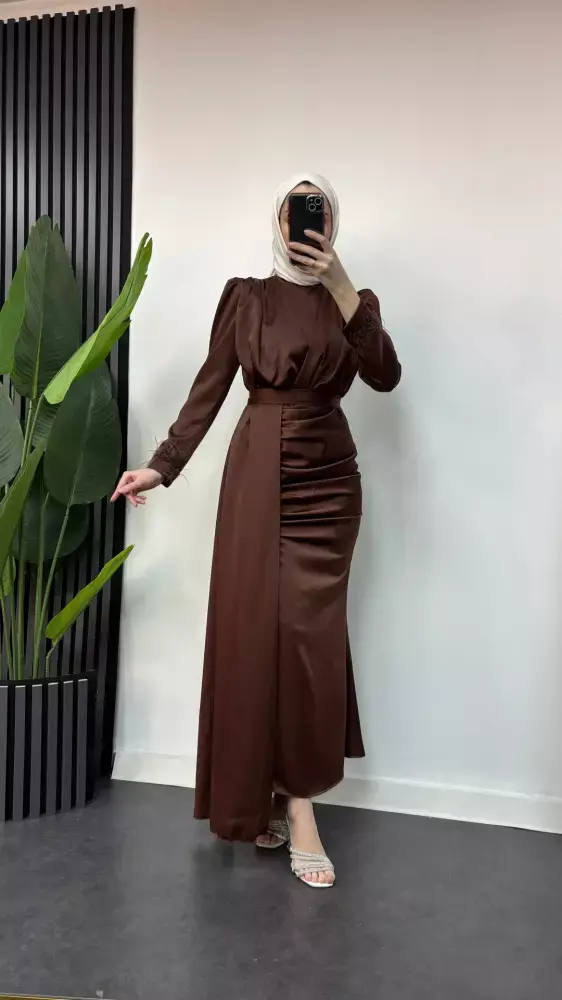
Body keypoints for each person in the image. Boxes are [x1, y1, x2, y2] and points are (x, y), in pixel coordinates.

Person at [112, 172, 401, 888]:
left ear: (332, 223)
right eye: (295, 210)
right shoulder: (246, 297)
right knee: (254, 637)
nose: (306, 222)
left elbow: (386, 375)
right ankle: (271, 796)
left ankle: (298, 801)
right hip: (258, 475)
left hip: (329, 486)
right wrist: (162, 466)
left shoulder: (353, 302)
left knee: (308, 642)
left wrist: (340, 283)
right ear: (277, 220)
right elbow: (209, 387)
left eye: (318, 211)